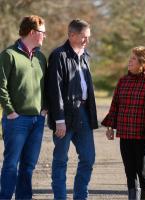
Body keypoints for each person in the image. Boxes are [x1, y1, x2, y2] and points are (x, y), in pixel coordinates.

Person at [46, 19, 98, 200]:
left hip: (84, 113)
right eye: (84, 37)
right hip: (64, 116)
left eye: (88, 37)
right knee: (61, 160)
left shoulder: (85, 56)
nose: (87, 41)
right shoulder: (58, 55)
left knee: (88, 158)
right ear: (72, 35)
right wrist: (59, 120)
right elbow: (55, 90)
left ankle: (80, 196)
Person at [0, 15, 47, 200]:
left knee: (29, 165)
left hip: (37, 119)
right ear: (33, 32)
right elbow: (1, 87)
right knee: (11, 164)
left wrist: (44, 109)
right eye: (43, 32)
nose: (45, 36)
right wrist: (10, 112)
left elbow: (46, 86)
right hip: (16, 120)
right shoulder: (8, 55)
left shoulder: (40, 57)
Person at [101, 46, 145, 200]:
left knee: (142, 170)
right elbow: (115, 105)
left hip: (143, 135)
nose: (129, 61)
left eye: (133, 59)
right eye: (130, 58)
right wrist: (110, 126)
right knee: (129, 170)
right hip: (125, 132)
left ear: (143, 62)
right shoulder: (123, 81)